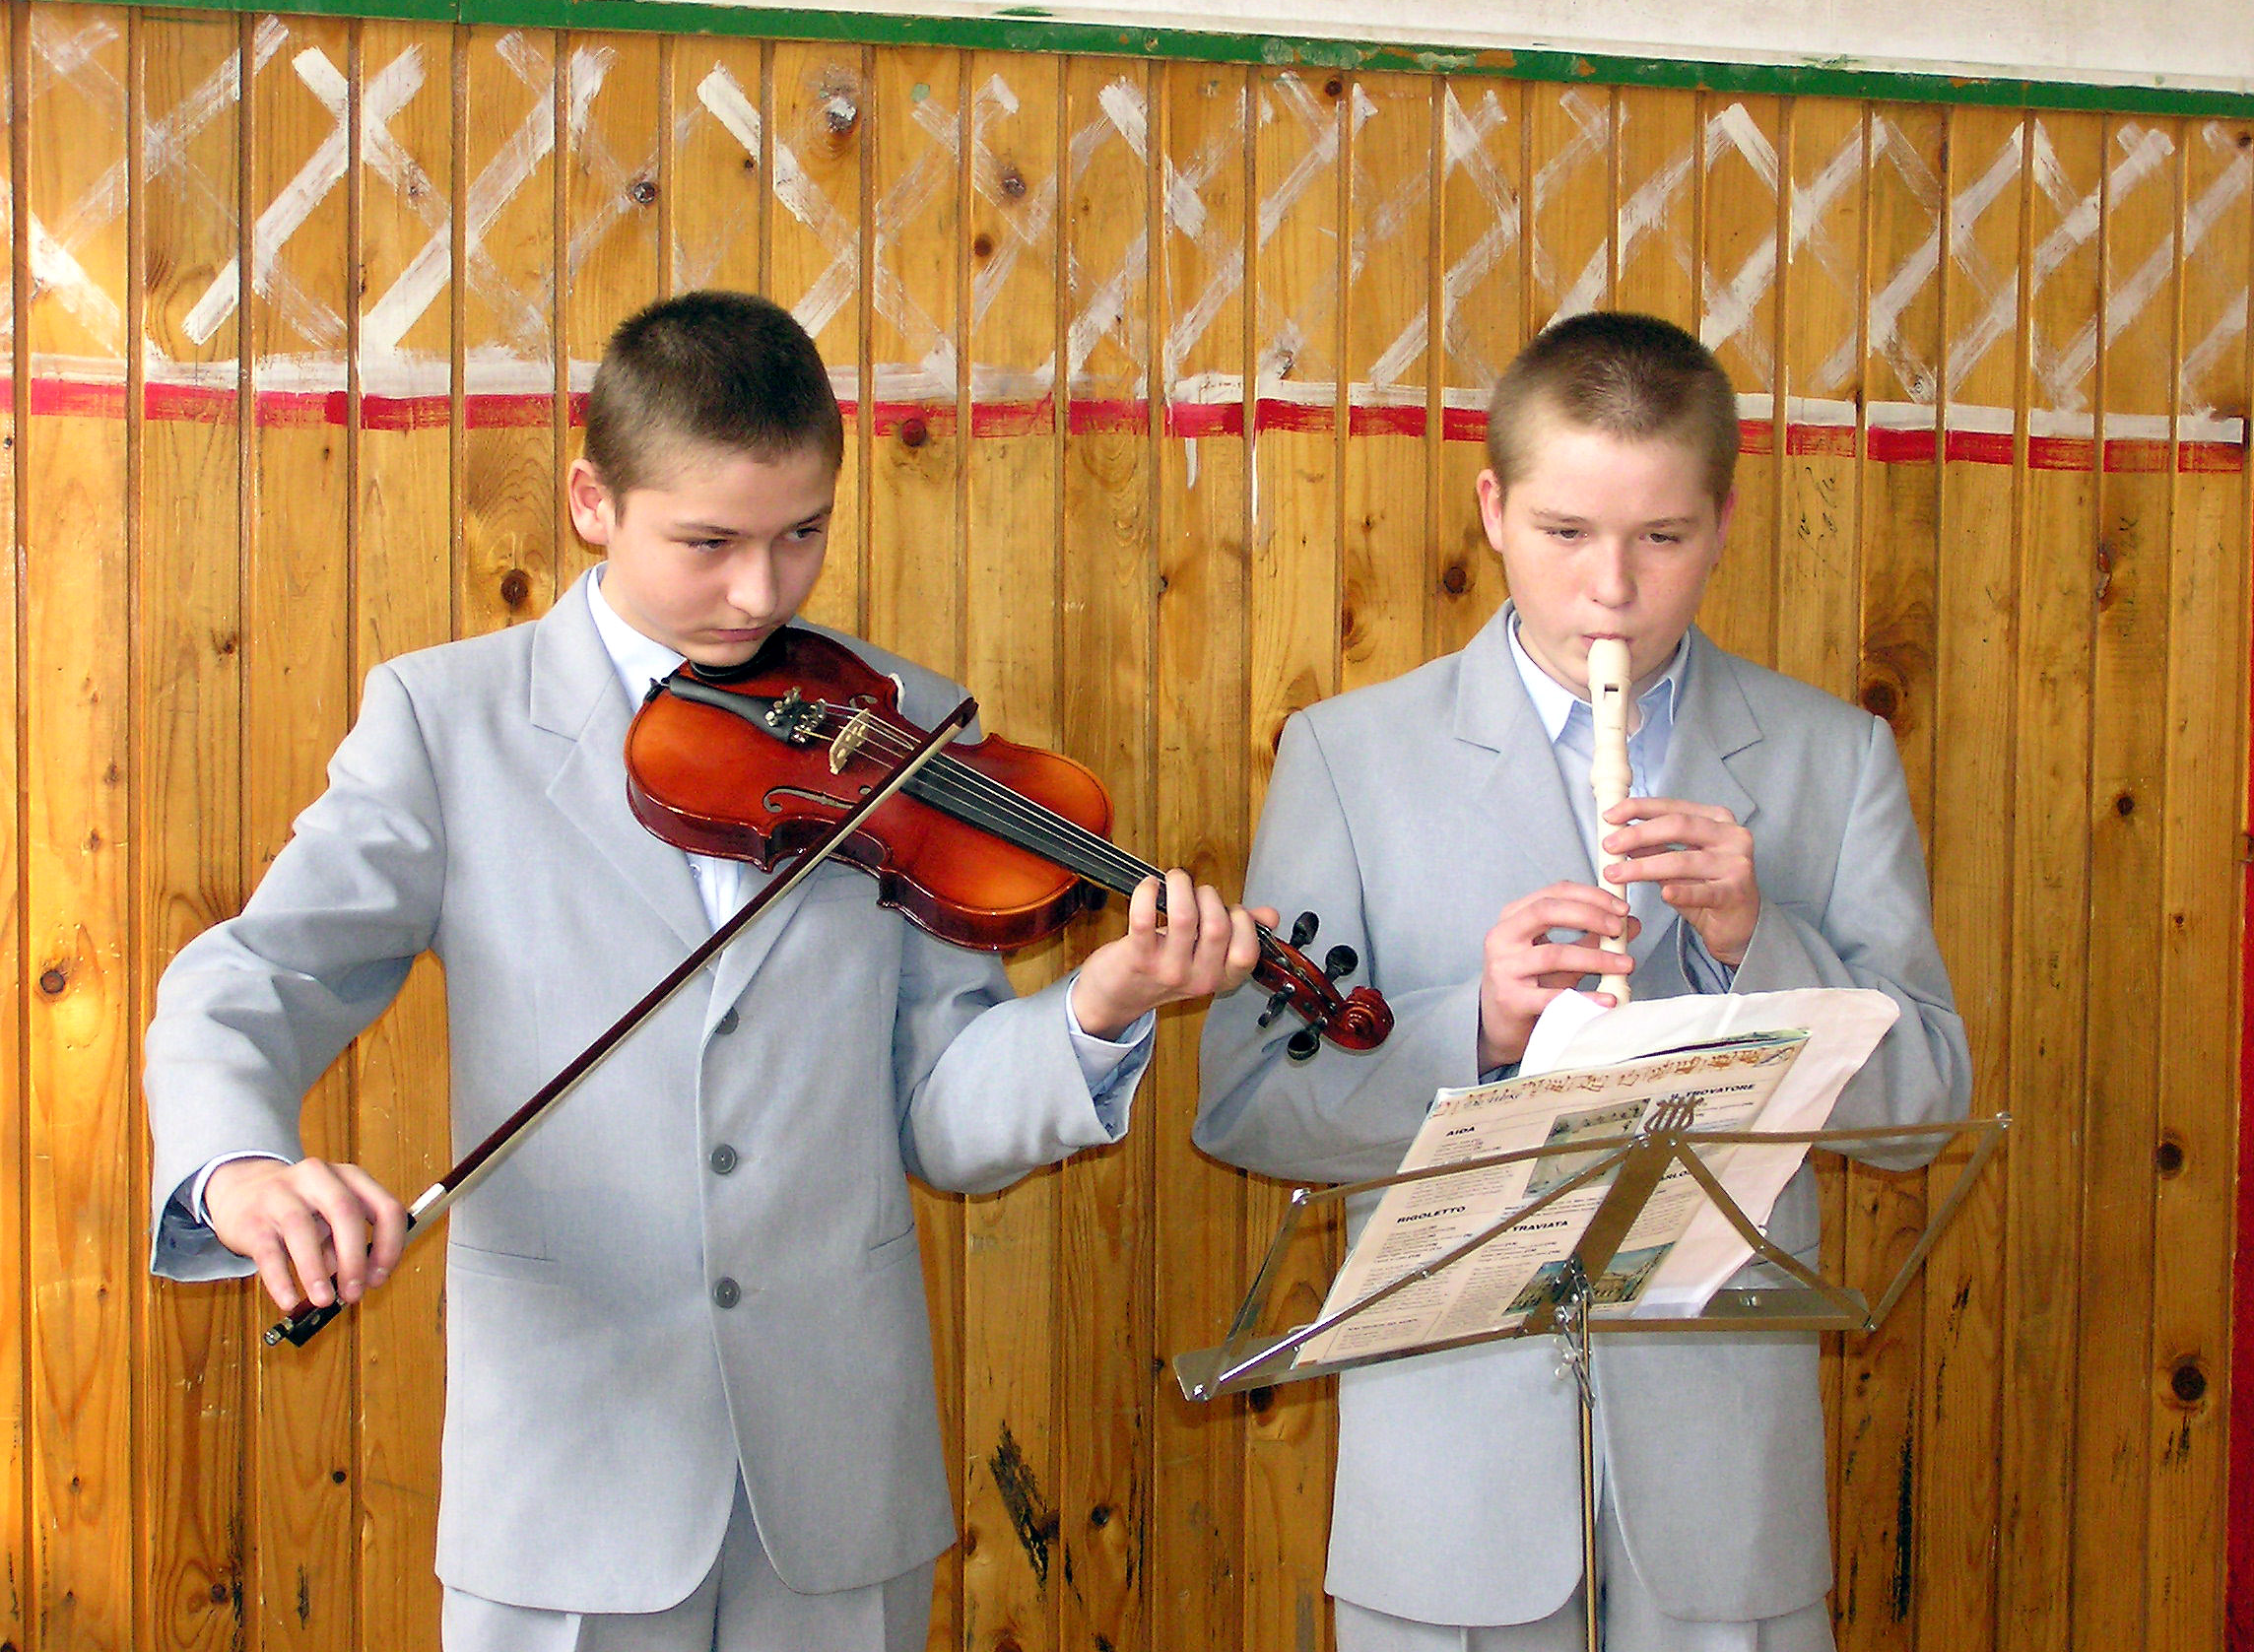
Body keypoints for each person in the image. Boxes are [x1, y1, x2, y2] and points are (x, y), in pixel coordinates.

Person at [145, 290, 1264, 1652]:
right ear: (593, 502)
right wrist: (240, 1170)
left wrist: (1097, 1009)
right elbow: (253, 977)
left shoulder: (902, 729)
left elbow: (944, 1122)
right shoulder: (449, 721)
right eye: (709, 542)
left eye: (803, 534)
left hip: (838, 1488)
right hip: (571, 1472)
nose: (761, 592)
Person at [1195, 311, 1970, 1651]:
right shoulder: (1349, 756)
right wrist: (1476, 1028)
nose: (1611, 589)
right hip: (1449, 1496)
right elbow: (1249, 1102)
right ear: (1493, 511)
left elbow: (1928, 1107)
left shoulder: (1832, 759)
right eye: (1565, 532)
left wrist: (1759, 941)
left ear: (1721, 527)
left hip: (1723, 1498)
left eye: (1661, 538)